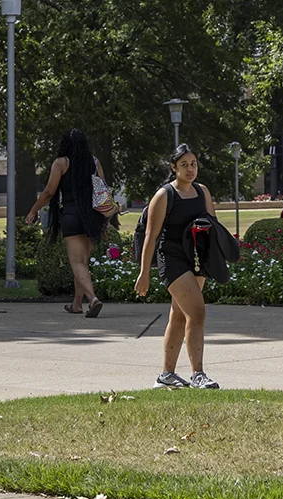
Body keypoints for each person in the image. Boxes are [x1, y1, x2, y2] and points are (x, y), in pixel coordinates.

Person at [133, 143, 220, 388]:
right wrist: (144, 272)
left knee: (180, 314)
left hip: (196, 258)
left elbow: (212, 226)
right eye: (184, 165)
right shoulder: (164, 195)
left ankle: (166, 375)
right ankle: (198, 374)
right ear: (174, 167)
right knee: (197, 312)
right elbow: (150, 236)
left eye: (193, 164)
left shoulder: (202, 192)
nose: (190, 169)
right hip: (171, 258)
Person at [27, 128, 119, 316]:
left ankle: (92, 299)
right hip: (93, 218)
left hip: (72, 216)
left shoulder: (61, 163)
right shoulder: (94, 162)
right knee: (82, 263)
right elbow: (103, 192)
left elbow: (49, 192)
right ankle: (77, 304)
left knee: (77, 263)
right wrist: (105, 221)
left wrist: (33, 210)